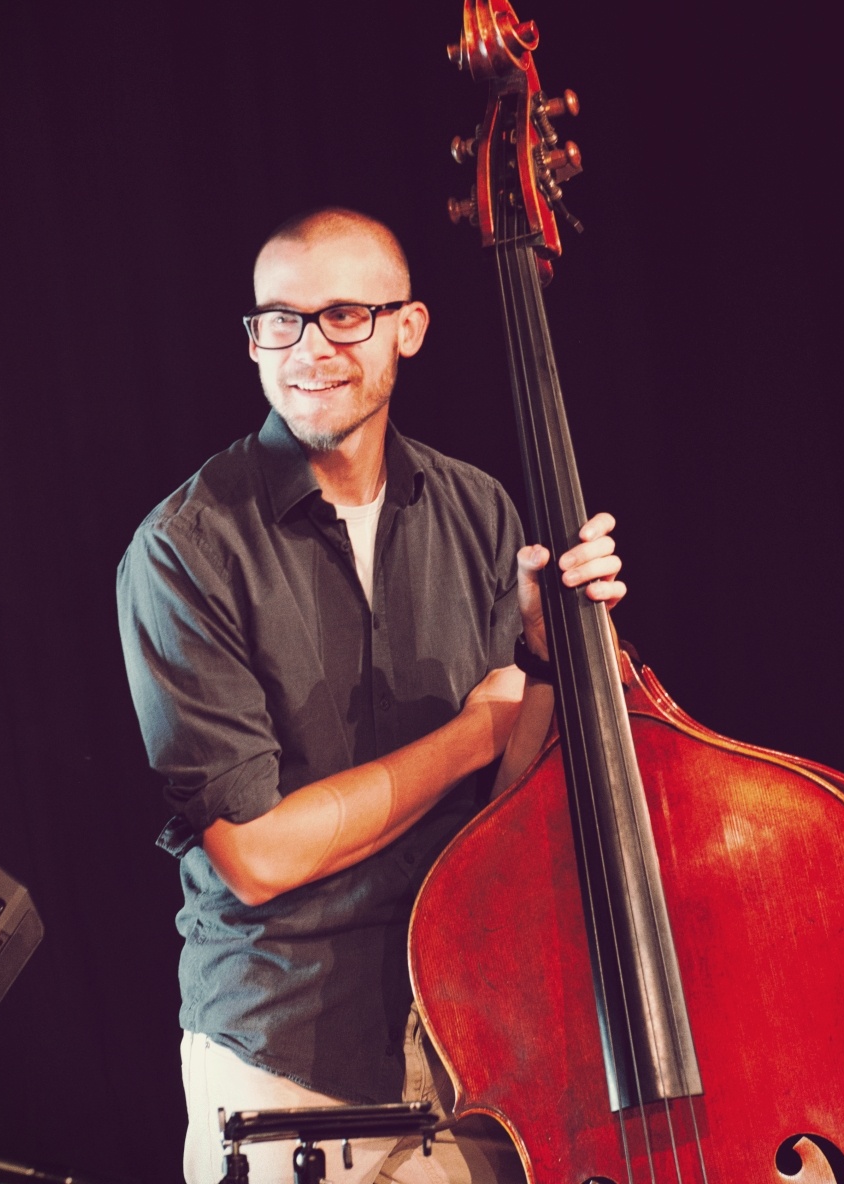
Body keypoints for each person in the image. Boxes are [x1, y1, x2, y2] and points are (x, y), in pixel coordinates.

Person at [116, 207, 624, 1184]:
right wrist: (475, 730)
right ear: (253, 338)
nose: (309, 349)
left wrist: (547, 659)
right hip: (288, 1060)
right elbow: (258, 856)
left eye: (345, 315)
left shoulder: (477, 507)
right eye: (280, 320)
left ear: (409, 327)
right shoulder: (184, 549)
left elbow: (508, 800)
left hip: (476, 1033)